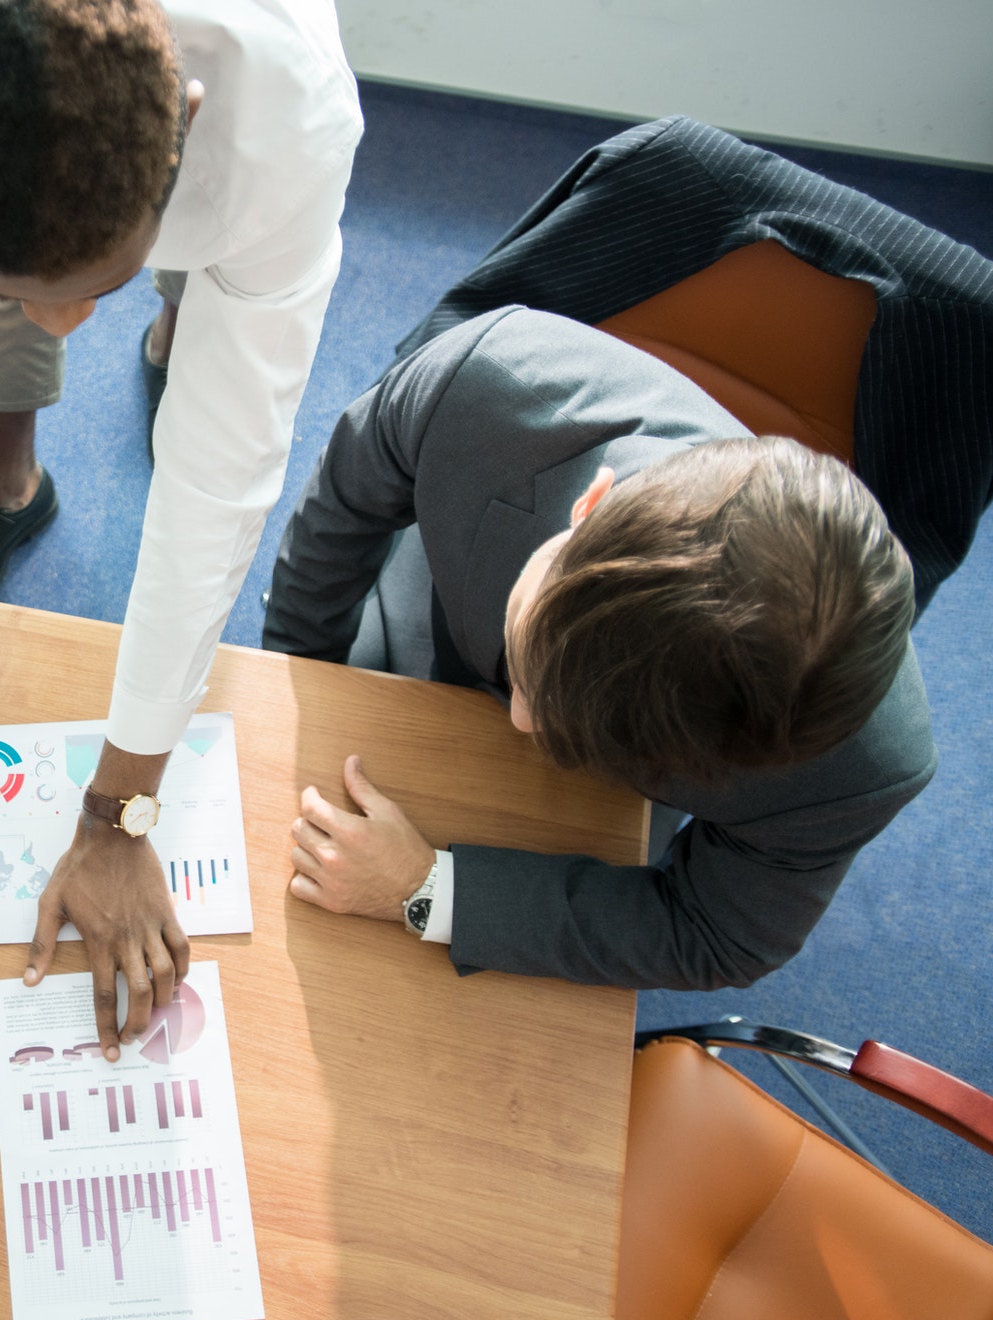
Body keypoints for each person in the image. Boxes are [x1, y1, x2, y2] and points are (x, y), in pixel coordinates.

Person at [0, 0, 362, 1054]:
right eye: (5, 289)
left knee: (205, 316)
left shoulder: (287, 111)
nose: (58, 327)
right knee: (46, 255)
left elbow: (217, 483)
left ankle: (175, 298)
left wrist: (119, 811)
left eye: (95, 290)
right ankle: (34, 408)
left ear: (184, 123)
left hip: (220, 166)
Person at [262, 306, 936, 990]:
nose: (522, 722)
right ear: (591, 504)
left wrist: (426, 889)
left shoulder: (861, 768)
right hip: (436, 603)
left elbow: (710, 933)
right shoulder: (487, 383)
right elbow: (341, 507)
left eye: (565, 717)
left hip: (596, 811)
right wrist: (297, 671)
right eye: (532, 658)